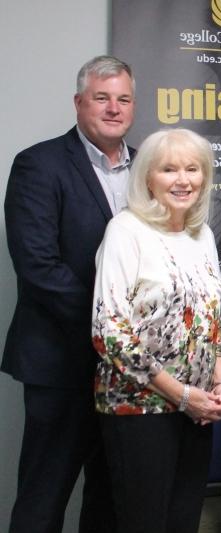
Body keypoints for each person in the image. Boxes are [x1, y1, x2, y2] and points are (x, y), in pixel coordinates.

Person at [3, 55, 135, 533]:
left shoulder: (149, 171)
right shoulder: (38, 164)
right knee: (44, 498)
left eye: (123, 99)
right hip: (61, 362)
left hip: (130, 372)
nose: (113, 108)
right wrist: (113, 327)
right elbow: (39, 268)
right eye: (102, 98)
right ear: (80, 102)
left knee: (111, 500)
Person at [91, 128, 221, 533]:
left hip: (198, 411)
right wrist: (180, 394)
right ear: (148, 177)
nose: (182, 180)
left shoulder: (200, 235)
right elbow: (108, 329)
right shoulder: (126, 230)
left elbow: (214, 318)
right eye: (169, 169)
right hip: (139, 408)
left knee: (183, 522)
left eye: (192, 169)